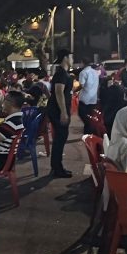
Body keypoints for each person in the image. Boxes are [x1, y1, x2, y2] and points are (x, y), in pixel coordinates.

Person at [47, 49, 74, 178]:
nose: (72, 60)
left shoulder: (62, 73)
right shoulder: (61, 74)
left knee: (60, 138)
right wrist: (63, 112)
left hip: (57, 109)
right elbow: (58, 92)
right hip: (57, 110)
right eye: (71, 57)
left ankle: (57, 167)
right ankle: (57, 169)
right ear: (65, 58)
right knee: (60, 138)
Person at [77, 57, 100, 135]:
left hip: (85, 99)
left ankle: (88, 133)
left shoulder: (83, 72)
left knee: (83, 115)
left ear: (83, 63)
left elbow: (81, 85)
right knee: (90, 117)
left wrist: (73, 91)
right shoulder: (95, 72)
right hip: (93, 98)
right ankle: (90, 132)